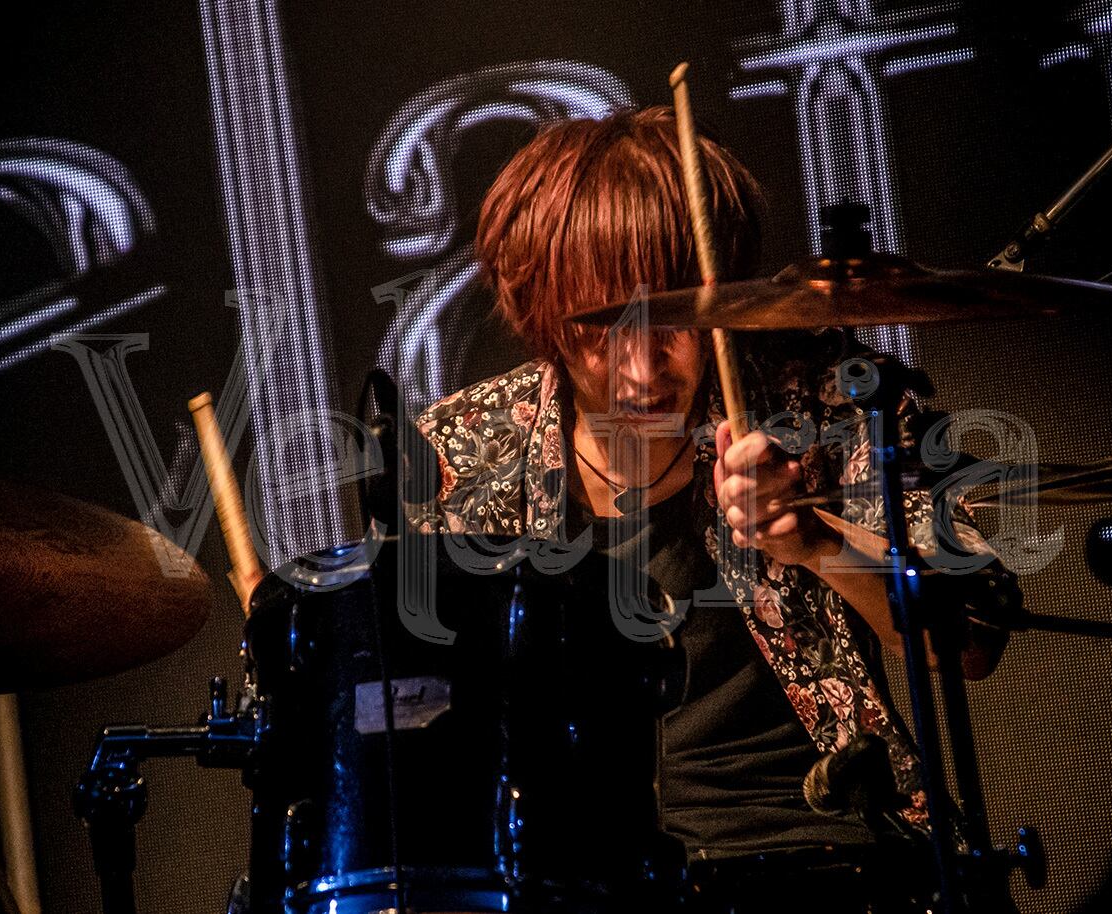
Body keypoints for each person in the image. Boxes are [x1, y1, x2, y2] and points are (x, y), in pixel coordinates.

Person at [405, 106, 1017, 912]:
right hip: (575, 877)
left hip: (822, 855)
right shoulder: (462, 450)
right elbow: (422, 714)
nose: (641, 366)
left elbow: (971, 638)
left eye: (673, 319)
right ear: (540, 314)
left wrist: (814, 540)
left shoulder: (828, 395)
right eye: (601, 329)